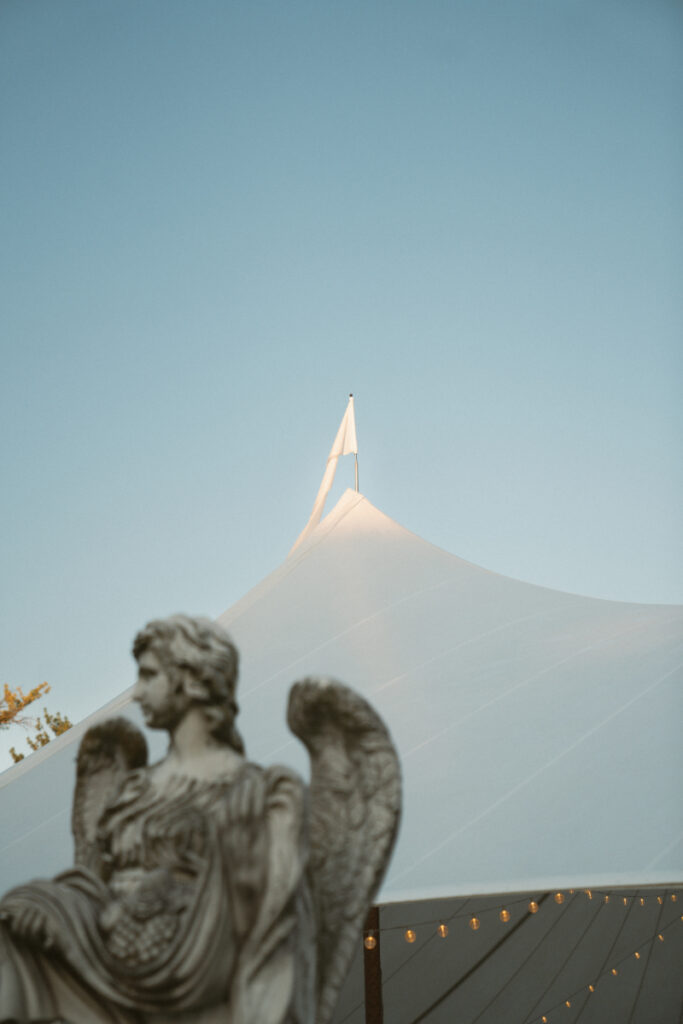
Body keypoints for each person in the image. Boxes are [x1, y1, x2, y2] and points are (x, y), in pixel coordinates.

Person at [0, 616, 315, 1024]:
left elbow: (269, 918)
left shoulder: (256, 791)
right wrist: (59, 907)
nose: (137, 692)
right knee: (15, 917)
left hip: (198, 964)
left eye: (149, 676)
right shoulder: (135, 788)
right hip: (115, 954)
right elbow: (100, 884)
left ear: (191, 681)